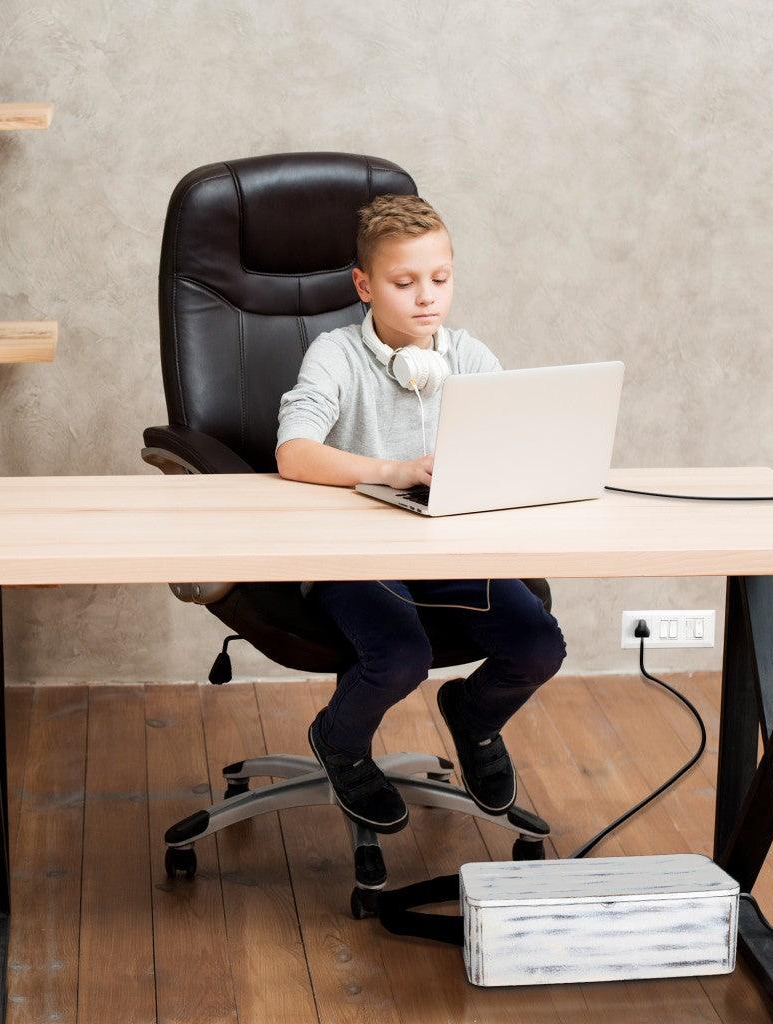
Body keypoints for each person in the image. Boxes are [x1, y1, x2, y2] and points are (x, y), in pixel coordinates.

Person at [274, 194, 567, 834]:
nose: (426, 298)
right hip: (354, 559)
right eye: (404, 283)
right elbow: (294, 454)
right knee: (400, 657)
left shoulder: (466, 356)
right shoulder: (335, 355)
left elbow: (519, 443)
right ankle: (341, 740)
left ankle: (473, 715)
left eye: (440, 280)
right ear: (364, 286)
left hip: (447, 551)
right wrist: (392, 471)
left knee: (540, 644)